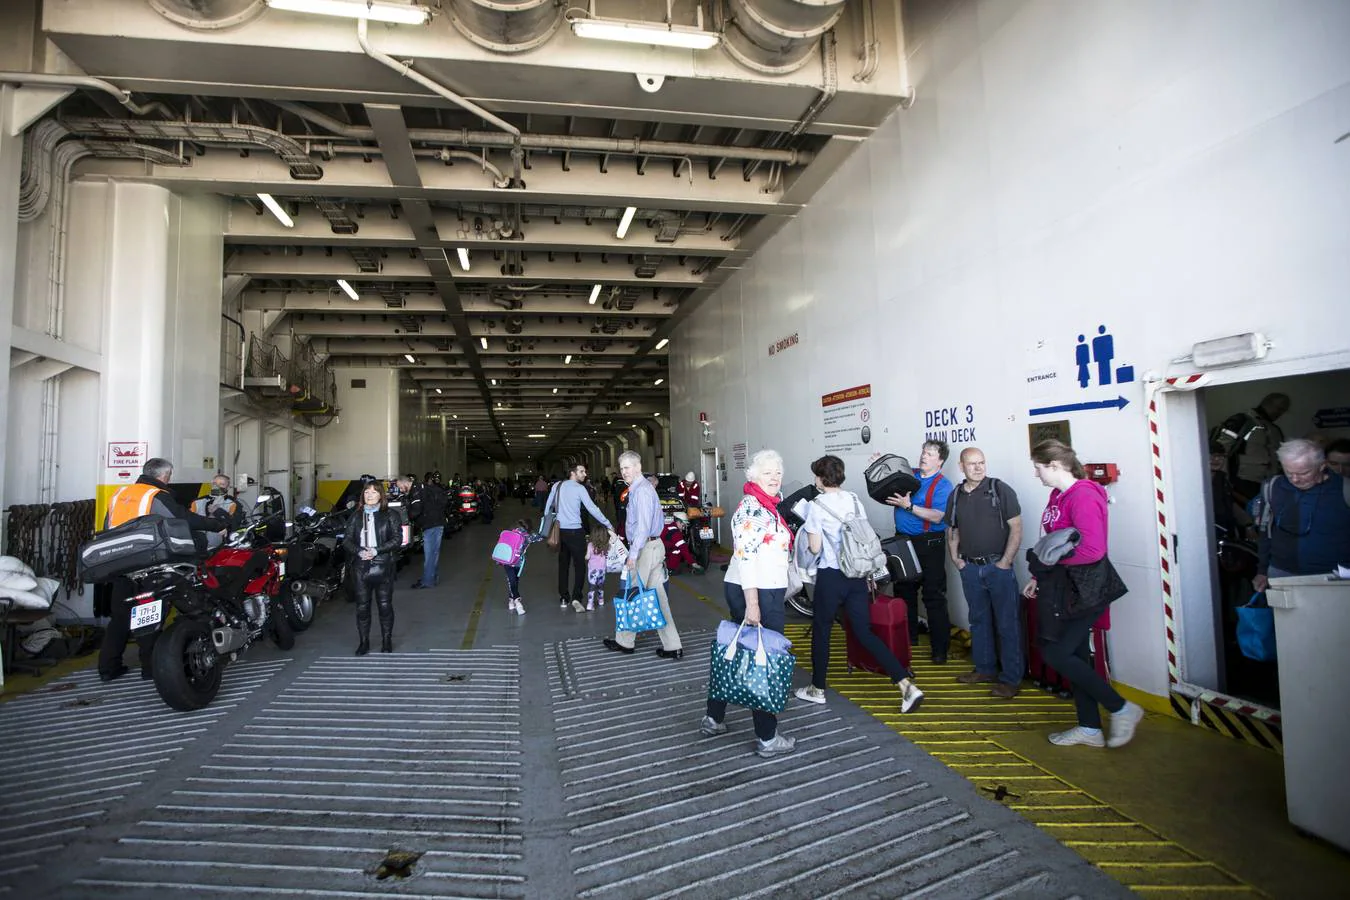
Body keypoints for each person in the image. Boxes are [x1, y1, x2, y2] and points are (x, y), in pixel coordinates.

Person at [1023, 440, 1143, 749]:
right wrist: (1040, 574)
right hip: (1063, 588)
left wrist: (1048, 563)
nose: (1036, 474)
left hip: (1086, 588)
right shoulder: (1057, 496)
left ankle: (1120, 707)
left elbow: (1092, 549)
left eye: (1038, 468)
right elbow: (1052, 541)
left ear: (1055, 466)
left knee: (1055, 653)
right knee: (1074, 656)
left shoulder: (1085, 496)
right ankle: (1090, 727)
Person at [795, 455, 925, 714]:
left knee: (822, 630)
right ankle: (905, 685)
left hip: (831, 576)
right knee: (864, 632)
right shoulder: (854, 500)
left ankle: (817, 689)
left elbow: (815, 547)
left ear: (821, 478)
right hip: (857, 576)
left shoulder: (815, 506)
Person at [700, 449, 796, 756]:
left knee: (738, 649)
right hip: (755, 590)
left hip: (761, 588)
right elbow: (746, 559)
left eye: (778, 472)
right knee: (762, 657)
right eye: (767, 472)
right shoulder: (751, 509)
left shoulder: (769, 506)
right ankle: (767, 737)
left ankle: (714, 717)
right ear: (752, 476)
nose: (774, 477)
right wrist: (753, 603)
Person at [97, 458, 225, 682]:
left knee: (120, 617)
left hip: (118, 562)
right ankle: (150, 668)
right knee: (148, 614)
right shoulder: (155, 496)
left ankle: (108, 668)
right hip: (147, 563)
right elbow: (182, 519)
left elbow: (108, 525)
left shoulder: (120, 494)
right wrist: (215, 525)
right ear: (165, 476)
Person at [945, 448, 1024, 698]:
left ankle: (1011, 680)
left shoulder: (1000, 490)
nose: (978, 468)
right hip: (970, 569)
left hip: (997, 569)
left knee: (1007, 624)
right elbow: (953, 530)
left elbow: (1017, 527)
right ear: (961, 466)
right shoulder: (956, 495)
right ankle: (984, 669)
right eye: (972, 464)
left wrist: (1006, 562)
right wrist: (956, 559)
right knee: (978, 622)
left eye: (981, 463)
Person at [879, 440, 955, 663]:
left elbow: (938, 516)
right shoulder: (909, 475)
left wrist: (909, 507)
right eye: (923, 452)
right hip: (903, 542)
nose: (924, 456)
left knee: (933, 596)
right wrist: (879, 466)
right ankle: (908, 640)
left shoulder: (943, 485)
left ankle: (939, 650)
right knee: (904, 593)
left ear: (940, 460)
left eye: (930, 454)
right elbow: (885, 484)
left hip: (929, 544)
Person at [603, 451, 684, 659]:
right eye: (622, 469)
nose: (624, 472)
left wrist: (633, 554)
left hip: (644, 549)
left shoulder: (642, 492)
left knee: (630, 592)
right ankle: (672, 645)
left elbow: (643, 527)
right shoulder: (640, 489)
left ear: (638, 467)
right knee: (659, 598)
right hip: (652, 547)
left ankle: (625, 641)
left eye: (627, 467)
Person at [1253, 439, 1350, 589]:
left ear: (1322, 466)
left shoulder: (1344, 489)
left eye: (1304, 473)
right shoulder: (1272, 487)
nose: (1295, 479)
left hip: (1333, 577)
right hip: (1281, 573)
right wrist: (1262, 570)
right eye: (1289, 472)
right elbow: (1265, 531)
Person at [342, 480, 402, 655]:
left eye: (374, 492)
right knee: (362, 607)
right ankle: (364, 642)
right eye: (367, 492)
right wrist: (359, 551)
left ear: (380, 495)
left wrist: (377, 550)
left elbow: (397, 539)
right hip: (360, 567)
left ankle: (386, 640)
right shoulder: (355, 516)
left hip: (383, 566)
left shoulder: (391, 515)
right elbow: (346, 540)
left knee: (384, 605)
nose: (370, 495)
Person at [554, 463, 616, 610]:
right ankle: (576, 597)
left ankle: (563, 597)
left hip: (559, 531)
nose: (585, 474)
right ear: (572, 473)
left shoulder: (557, 486)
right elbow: (592, 509)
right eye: (581, 471)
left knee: (563, 565)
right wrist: (608, 523)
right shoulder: (580, 488)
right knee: (580, 565)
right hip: (575, 532)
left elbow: (548, 506)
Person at [1211, 392, 1290, 502]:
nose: (1280, 413)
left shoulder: (1275, 431)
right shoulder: (1242, 421)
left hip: (1268, 485)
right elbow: (1219, 450)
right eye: (1278, 408)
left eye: (1283, 410)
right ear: (1266, 403)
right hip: (1241, 483)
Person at [410, 472, 448, 589]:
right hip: (439, 523)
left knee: (429, 554)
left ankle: (427, 581)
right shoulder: (440, 489)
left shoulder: (422, 490)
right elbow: (445, 503)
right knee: (434, 553)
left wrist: (410, 516)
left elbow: (416, 509)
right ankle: (432, 577)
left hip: (430, 525)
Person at [498, 519, 543, 615]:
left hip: (507, 561)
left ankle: (511, 600)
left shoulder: (510, 532)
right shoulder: (527, 536)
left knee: (511, 581)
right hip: (518, 562)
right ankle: (517, 602)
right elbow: (540, 537)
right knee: (514, 581)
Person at [584, 526, 611, 611]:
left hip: (592, 571)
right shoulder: (607, 545)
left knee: (592, 587)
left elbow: (587, 557)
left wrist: (585, 557)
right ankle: (601, 600)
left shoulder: (590, 545)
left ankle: (590, 604)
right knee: (600, 586)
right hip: (602, 570)